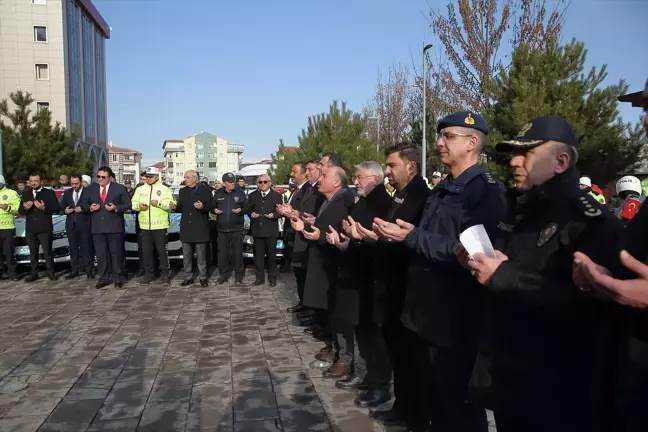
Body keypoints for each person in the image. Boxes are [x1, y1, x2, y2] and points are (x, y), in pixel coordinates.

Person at [462, 115, 623, 432]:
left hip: (556, 386)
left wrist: (503, 275)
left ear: (561, 161)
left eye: (527, 153)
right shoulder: (519, 207)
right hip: (510, 372)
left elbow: (588, 307)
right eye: (513, 154)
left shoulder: (590, 221)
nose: (514, 162)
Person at [374, 112, 504, 432]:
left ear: (472, 143)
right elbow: (430, 237)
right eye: (440, 136)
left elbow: (474, 254)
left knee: (456, 410)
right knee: (434, 403)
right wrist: (408, 232)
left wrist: (413, 237)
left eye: (448, 136)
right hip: (423, 317)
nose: (438, 143)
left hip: (453, 323)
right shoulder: (444, 188)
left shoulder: (485, 193)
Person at [327, 161, 393, 407]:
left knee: (375, 336)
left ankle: (381, 384)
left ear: (375, 178)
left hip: (372, 279)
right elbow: (356, 235)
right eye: (355, 176)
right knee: (361, 331)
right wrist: (344, 241)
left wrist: (359, 238)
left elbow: (379, 240)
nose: (355, 181)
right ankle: (366, 375)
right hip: (357, 275)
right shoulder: (363, 202)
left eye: (360, 177)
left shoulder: (383, 204)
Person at [292, 166, 351, 377]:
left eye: (324, 176)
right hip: (325, 262)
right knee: (330, 310)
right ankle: (334, 347)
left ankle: (343, 356)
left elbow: (341, 232)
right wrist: (309, 225)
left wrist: (320, 236)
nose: (319, 179)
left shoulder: (345, 200)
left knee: (338, 313)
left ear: (337, 182)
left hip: (335, 264)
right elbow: (324, 225)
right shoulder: (328, 200)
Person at [81, 166, 130, 289]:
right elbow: (83, 203)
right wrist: (90, 207)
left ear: (109, 177)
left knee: (116, 254)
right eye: (98, 176)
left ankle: (117, 278)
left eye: (103, 177)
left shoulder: (118, 188)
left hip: (114, 227)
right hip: (97, 227)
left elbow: (127, 204)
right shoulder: (91, 189)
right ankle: (103, 278)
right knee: (101, 255)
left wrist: (116, 207)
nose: (100, 179)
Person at [131, 166, 175, 285]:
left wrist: (159, 203)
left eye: (150, 177)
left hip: (160, 226)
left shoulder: (164, 189)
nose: (148, 178)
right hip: (145, 226)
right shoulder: (140, 189)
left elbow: (171, 204)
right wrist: (138, 206)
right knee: (147, 251)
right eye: (147, 176)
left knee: (161, 251)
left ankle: (164, 274)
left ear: (156, 176)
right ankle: (149, 274)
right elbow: (133, 203)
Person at [19, 174, 61, 282]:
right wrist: (25, 208)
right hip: (31, 228)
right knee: (33, 252)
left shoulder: (48, 193)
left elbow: (56, 208)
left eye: (36, 181)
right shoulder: (26, 193)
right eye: (31, 181)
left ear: (40, 181)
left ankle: (51, 272)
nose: (33, 183)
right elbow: (20, 211)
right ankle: (34, 273)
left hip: (44, 228)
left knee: (47, 252)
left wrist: (44, 208)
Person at [176, 170, 213, 287]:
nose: (185, 179)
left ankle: (203, 277)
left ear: (195, 179)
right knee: (186, 255)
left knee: (201, 256)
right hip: (186, 227)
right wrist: (174, 207)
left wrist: (202, 206)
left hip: (199, 226)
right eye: (184, 177)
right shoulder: (182, 191)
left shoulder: (205, 190)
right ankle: (188, 277)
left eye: (187, 177)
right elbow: (180, 208)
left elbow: (211, 206)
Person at [247, 174, 282, 286]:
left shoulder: (276, 196)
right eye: (260, 182)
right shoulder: (253, 195)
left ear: (270, 183)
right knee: (258, 257)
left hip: (271, 230)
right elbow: (248, 208)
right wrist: (251, 213)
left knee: (271, 256)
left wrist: (274, 215)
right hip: (257, 230)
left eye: (265, 182)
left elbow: (281, 212)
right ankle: (259, 278)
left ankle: (272, 278)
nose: (262, 184)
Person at [213, 172, 247, 285]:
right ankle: (223, 275)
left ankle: (238, 276)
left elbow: (247, 208)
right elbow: (212, 207)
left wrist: (240, 211)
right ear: (224, 183)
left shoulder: (240, 193)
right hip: (222, 230)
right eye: (230, 182)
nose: (233, 183)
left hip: (236, 229)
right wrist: (214, 211)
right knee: (222, 254)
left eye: (233, 181)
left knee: (237, 254)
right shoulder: (218, 194)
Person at [61, 175, 93, 279]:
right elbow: (62, 206)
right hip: (71, 224)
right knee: (73, 248)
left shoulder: (88, 192)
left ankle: (89, 270)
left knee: (86, 248)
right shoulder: (67, 193)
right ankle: (74, 270)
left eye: (76, 183)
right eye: (72, 184)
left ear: (81, 182)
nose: (74, 186)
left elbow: (93, 205)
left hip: (84, 224)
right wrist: (65, 210)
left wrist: (83, 208)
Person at [0, 175, 20, 280]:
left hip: (8, 227)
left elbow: (18, 209)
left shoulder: (11, 193)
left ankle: (12, 273)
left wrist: (7, 207)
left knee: (8, 251)